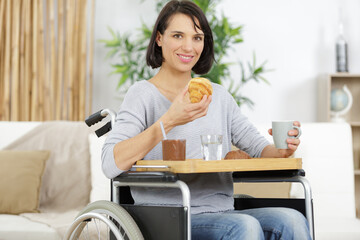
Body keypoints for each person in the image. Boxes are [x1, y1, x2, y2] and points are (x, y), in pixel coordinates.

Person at [102, 1, 311, 239]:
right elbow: (110, 163)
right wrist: (169, 120)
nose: (188, 47)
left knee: (292, 220)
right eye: (178, 35)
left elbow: (260, 149)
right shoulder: (142, 95)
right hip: (168, 216)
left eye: (197, 38)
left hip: (224, 212)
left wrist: (283, 150)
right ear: (159, 38)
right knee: (244, 227)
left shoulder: (218, 96)